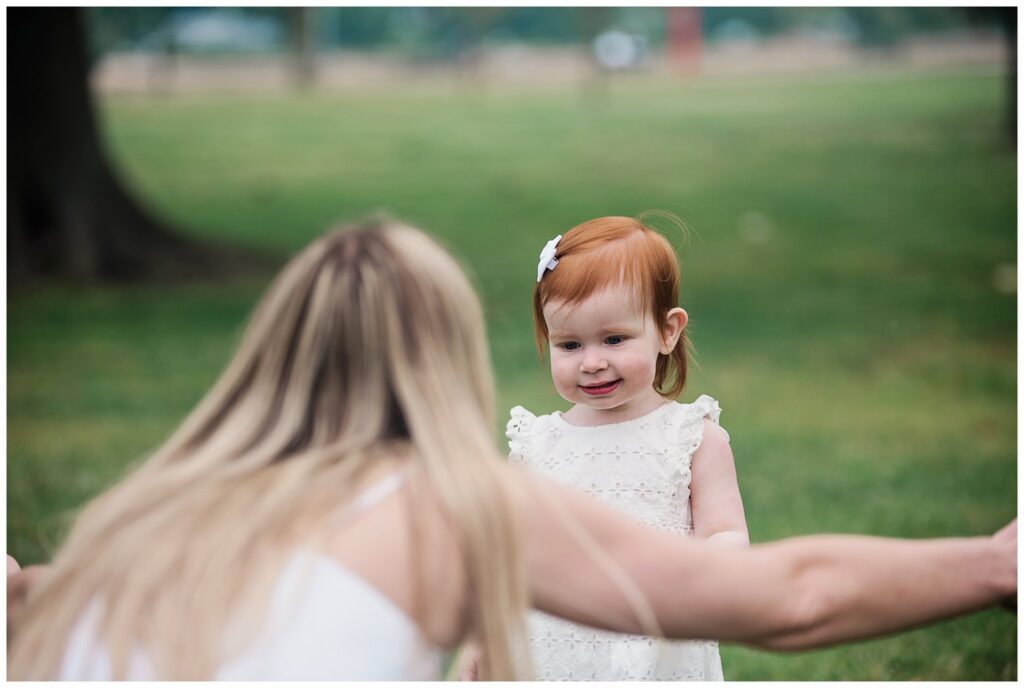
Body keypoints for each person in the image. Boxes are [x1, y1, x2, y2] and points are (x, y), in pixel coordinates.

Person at [6, 218, 1016, 681]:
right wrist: (994, 562)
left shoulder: (147, 521)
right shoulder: (454, 502)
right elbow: (790, 597)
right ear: (443, 361)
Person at [460, 215, 748, 681]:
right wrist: (482, 636)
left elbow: (725, 534)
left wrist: (698, 576)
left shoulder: (691, 437)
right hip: (552, 644)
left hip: (657, 636)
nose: (593, 362)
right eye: (569, 344)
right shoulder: (537, 444)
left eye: (614, 339)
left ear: (667, 330)